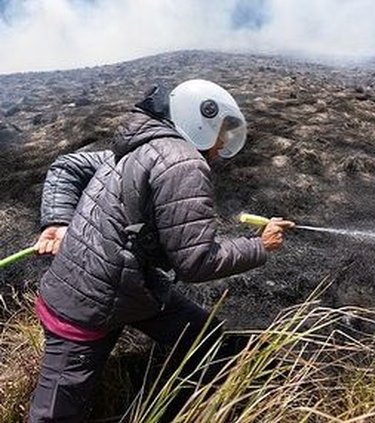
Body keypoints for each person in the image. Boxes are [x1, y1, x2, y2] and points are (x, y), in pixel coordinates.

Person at [29, 79, 294, 422]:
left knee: (204, 335)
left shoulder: (145, 141)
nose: (223, 144)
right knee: (53, 417)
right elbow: (196, 262)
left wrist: (58, 223)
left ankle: (208, 399)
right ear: (200, 124)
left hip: (131, 287)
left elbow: (69, 166)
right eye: (221, 133)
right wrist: (259, 245)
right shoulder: (184, 163)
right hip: (86, 305)